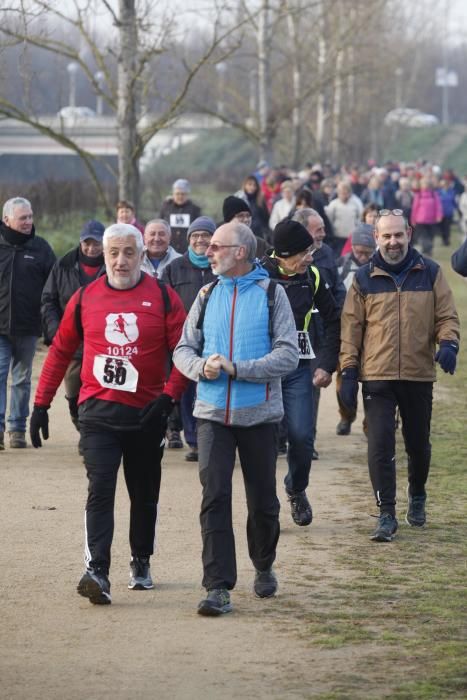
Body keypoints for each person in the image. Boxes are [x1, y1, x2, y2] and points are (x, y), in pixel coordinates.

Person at [30, 223, 188, 604]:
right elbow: (59, 352)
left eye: (129, 252)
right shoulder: (85, 298)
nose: (121, 260)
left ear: (140, 255)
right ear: (104, 255)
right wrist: (40, 404)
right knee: (100, 490)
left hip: (146, 415)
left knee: (144, 493)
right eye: (113, 252)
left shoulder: (164, 297)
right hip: (98, 414)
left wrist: (168, 399)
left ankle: (141, 559)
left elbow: (184, 353)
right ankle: (96, 571)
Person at [173, 221, 298, 616]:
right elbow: (182, 349)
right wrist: (201, 366)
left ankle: (263, 563)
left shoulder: (272, 294)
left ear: (240, 252)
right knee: (214, 497)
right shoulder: (207, 294)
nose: (207, 252)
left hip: (259, 415)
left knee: (262, 502)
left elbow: (288, 355)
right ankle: (218, 587)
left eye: (215, 246)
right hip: (210, 415)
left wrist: (237, 367)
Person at [339, 210, 460, 542]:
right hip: (377, 374)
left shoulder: (431, 272)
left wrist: (448, 343)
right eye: (386, 236)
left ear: (409, 233)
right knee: (379, 445)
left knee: (418, 446)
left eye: (398, 235)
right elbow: (351, 329)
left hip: (418, 374)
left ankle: (417, 492)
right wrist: (348, 371)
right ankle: (386, 513)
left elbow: (447, 316)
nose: (393, 242)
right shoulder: (363, 279)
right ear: (376, 238)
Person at [261, 219, 341, 527]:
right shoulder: (257, 276)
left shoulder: (315, 276)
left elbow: (334, 321)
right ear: (284, 254)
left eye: (312, 250)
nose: (311, 257)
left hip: (297, 369)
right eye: (304, 252)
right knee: (264, 442)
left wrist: (325, 363)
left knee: (302, 437)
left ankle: (296, 488)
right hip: (263, 370)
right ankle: (266, 506)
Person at [0, 196, 56, 450]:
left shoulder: (41, 249)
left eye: (30, 217)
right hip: (0, 327)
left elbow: (53, 289)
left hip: (28, 327)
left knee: (22, 379)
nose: (28, 222)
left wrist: (49, 323)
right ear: (7, 219)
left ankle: (17, 429)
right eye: (23, 218)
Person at [41, 220, 106, 432]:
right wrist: (54, 331)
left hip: (102, 341)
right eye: (87, 243)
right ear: (80, 242)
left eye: (96, 243)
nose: (91, 248)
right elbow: (48, 300)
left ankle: (91, 431)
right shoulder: (63, 265)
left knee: (100, 389)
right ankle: (78, 420)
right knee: (73, 389)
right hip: (71, 340)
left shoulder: (112, 266)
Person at [161, 216, 217, 461]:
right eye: (195, 236)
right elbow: (163, 303)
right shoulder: (174, 268)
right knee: (186, 391)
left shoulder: (221, 265)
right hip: (184, 341)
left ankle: (214, 440)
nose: (200, 240)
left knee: (212, 390)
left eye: (205, 235)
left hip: (217, 340)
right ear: (188, 239)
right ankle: (194, 442)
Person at [292, 208, 346, 457]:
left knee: (311, 385)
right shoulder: (285, 255)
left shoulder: (326, 254)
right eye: (319, 229)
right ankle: (282, 437)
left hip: (319, 329)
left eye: (324, 227)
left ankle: (307, 441)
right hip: (291, 329)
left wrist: (339, 313)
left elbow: (336, 289)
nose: (324, 233)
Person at [335, 223, 376, 436]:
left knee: (373, 382)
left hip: (374, 334)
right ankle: (346, 416)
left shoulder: (380, 267)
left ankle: (371, 424)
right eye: (359, 251)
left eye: (367, 253)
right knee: (344, 380)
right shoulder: (340, 266)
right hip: (346, 332)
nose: (362, 256)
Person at [160, 178, 202, 254]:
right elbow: (160, 223)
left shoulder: (194, 209)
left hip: (188, 250)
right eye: (177, 194)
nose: (180, 196)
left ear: (187, 194)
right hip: (168, 249)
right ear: (173, 194)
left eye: (183, 194)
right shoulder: (166, 207)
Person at [325, 181, 363, 255]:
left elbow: (360, 217)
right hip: (337, 237)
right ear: (338, 193)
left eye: (346, 193)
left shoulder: (356, 203)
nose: (344, 195)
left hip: (351, 237)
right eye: (342, 193)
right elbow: (329, 220)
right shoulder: (333, 204)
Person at [411, 176, 442, 256]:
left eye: (427, 184)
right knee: (424, 236)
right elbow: (415, 208)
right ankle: (426, 250)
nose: (425, 185)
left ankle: (429, 250)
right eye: (424, 184)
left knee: (431, 236)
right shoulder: (418, 195)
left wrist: (439, 216)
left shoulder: (433, 194)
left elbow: (438, 206)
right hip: (420, 220)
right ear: (420, 185)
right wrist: (413, 219)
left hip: (431, 220)